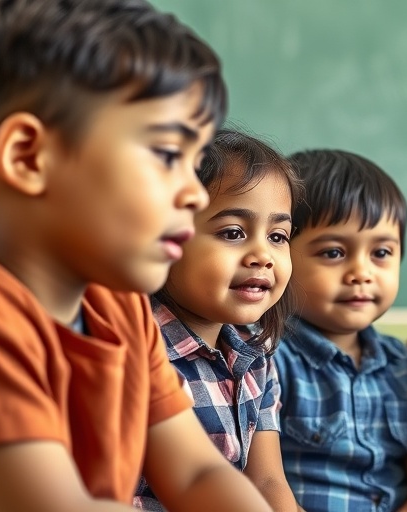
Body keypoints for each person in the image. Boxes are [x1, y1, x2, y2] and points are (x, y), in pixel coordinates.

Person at [0, 0, 273, 510]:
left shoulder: (121, 309)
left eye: (196, 162)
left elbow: (197, 472)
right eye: (167, 155)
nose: (197, 195)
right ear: (29, 157)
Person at [134, 129, 302, 510]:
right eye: (233, 233)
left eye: (278, 236)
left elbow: (267, 480)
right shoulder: (136, 347)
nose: (263, 255)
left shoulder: (255, 352)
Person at [274, 149, 407, 512]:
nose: (361, 273)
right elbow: (255, 477)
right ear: (279, 251)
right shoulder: (268, 357)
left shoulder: (405, 365)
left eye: (381, 253)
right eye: (333, 253)